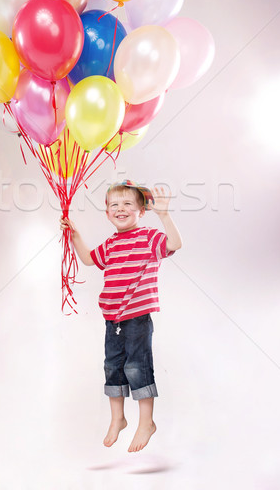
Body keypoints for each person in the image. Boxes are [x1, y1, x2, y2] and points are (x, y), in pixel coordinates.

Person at [60, 180, 182, 452]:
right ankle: (118, 418)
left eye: (128, 204)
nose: (121, 209)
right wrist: (75, 235)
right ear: (107, 213)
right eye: (114, 205)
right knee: (113, 368)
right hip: (112, 320)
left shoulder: (149, 237)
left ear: (141, 211)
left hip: (137, 317)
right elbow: (90, 259)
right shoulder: (111, 244)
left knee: (137, 367)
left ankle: (146, 422)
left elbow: (175, 243)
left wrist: (164, 215)